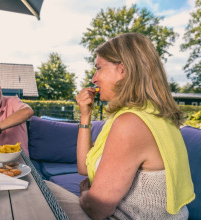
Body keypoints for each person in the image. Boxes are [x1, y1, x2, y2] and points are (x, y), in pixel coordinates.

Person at [46, 33, 195, 220]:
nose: (94, 78)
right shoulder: (150, 115)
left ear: (122, 70)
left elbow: (97, 208)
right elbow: (84, 168)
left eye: (99, 68)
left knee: (43, 190)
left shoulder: (131, 123)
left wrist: (86, 191)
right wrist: (85, 116)